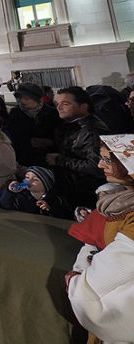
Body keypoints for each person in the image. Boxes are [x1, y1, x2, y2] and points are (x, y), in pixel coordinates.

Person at [64, 141, 134, 344]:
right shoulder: (121, 200)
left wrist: (76, 283)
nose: (99, 165)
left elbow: (118, 266)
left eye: (107, 160)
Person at [50, 86, 107, 208]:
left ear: (84, 106)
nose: (59, 108)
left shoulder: (91, 130)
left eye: (65, 104)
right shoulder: (68, 126)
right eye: (57, 104)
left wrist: (60, 160)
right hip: (73, 189)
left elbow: (96, 166)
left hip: (89, 194)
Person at [7, 82, 60, 167]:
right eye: (20, 98)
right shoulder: (15, 113)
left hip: (48, 158)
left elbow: (62, 136)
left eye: (27, 98)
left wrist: (51, 142)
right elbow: (12, 135)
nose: (22, 101)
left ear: (36, 99)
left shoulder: (53, 113)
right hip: (24, 160)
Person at [0, 165, 72, 219]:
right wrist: (9, 192)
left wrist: (49, 209)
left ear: (45, 185)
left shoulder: (55, 199)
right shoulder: (21, 196)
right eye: (27, 177)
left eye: (35, 180)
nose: (29, 181)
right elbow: (5, 206)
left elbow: (65, 215)